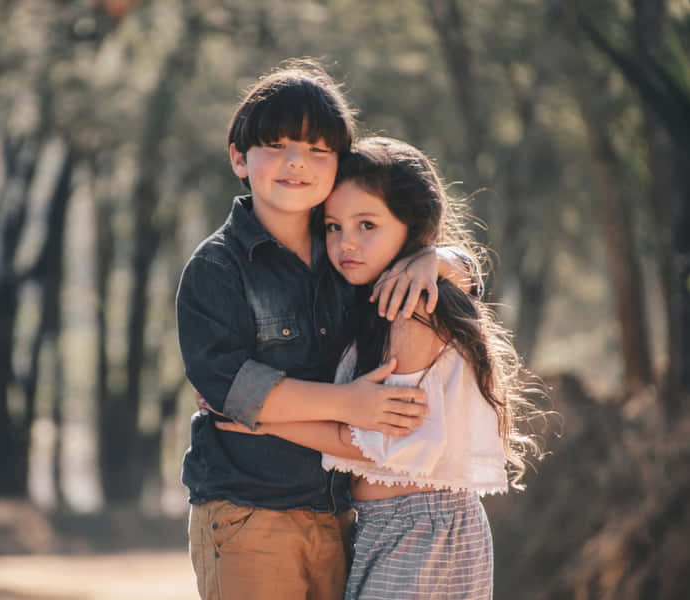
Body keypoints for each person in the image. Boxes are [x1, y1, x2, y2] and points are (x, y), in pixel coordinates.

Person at [176, 61, 469, 600]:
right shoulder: (218, 268)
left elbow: (457, 277)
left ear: (339, 163)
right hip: (248, 510)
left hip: (339, 513)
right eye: (278, 145)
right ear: (239, 158)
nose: (297, 163)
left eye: (317, 150)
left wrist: (438, 257)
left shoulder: (347, 251)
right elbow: (231, 389)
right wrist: (347, 404)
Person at [217, 137, 543, 599]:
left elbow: (377, 445)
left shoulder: (412, 313)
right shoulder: (377, 298)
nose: (346, 243)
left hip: (423, 532)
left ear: (412, 226)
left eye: (366, 224)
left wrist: (257, 417)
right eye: (332, 227)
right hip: (387, 527)